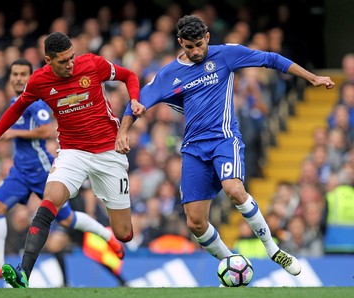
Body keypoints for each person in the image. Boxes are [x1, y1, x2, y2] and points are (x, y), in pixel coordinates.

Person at [117, 15, 335, 277]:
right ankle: (232, 262)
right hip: (194, 149)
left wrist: (311, 77)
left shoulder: (226, 55)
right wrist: (123, 130)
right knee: (196, 223)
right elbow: (137, 100)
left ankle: (272, 249)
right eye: (189, 47)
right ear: (180, 43)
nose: (196, 51)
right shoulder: (168, 75)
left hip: (224, 139)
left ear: (207, 37)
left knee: (233, 189)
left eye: (199, 44)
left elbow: (271, 59)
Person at [0, 32, 145, 288]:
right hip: (72, 151)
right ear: (48, 60)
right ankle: (23, 273)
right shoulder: (39, 81)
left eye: (72, 57)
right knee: (49, 199)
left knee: (124, 234)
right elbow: (16, 108)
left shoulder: (92, 64)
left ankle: (108, 234)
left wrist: (134, 100)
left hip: (109, 151)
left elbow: (129, 75)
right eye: (63, 61)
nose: (71, 64)